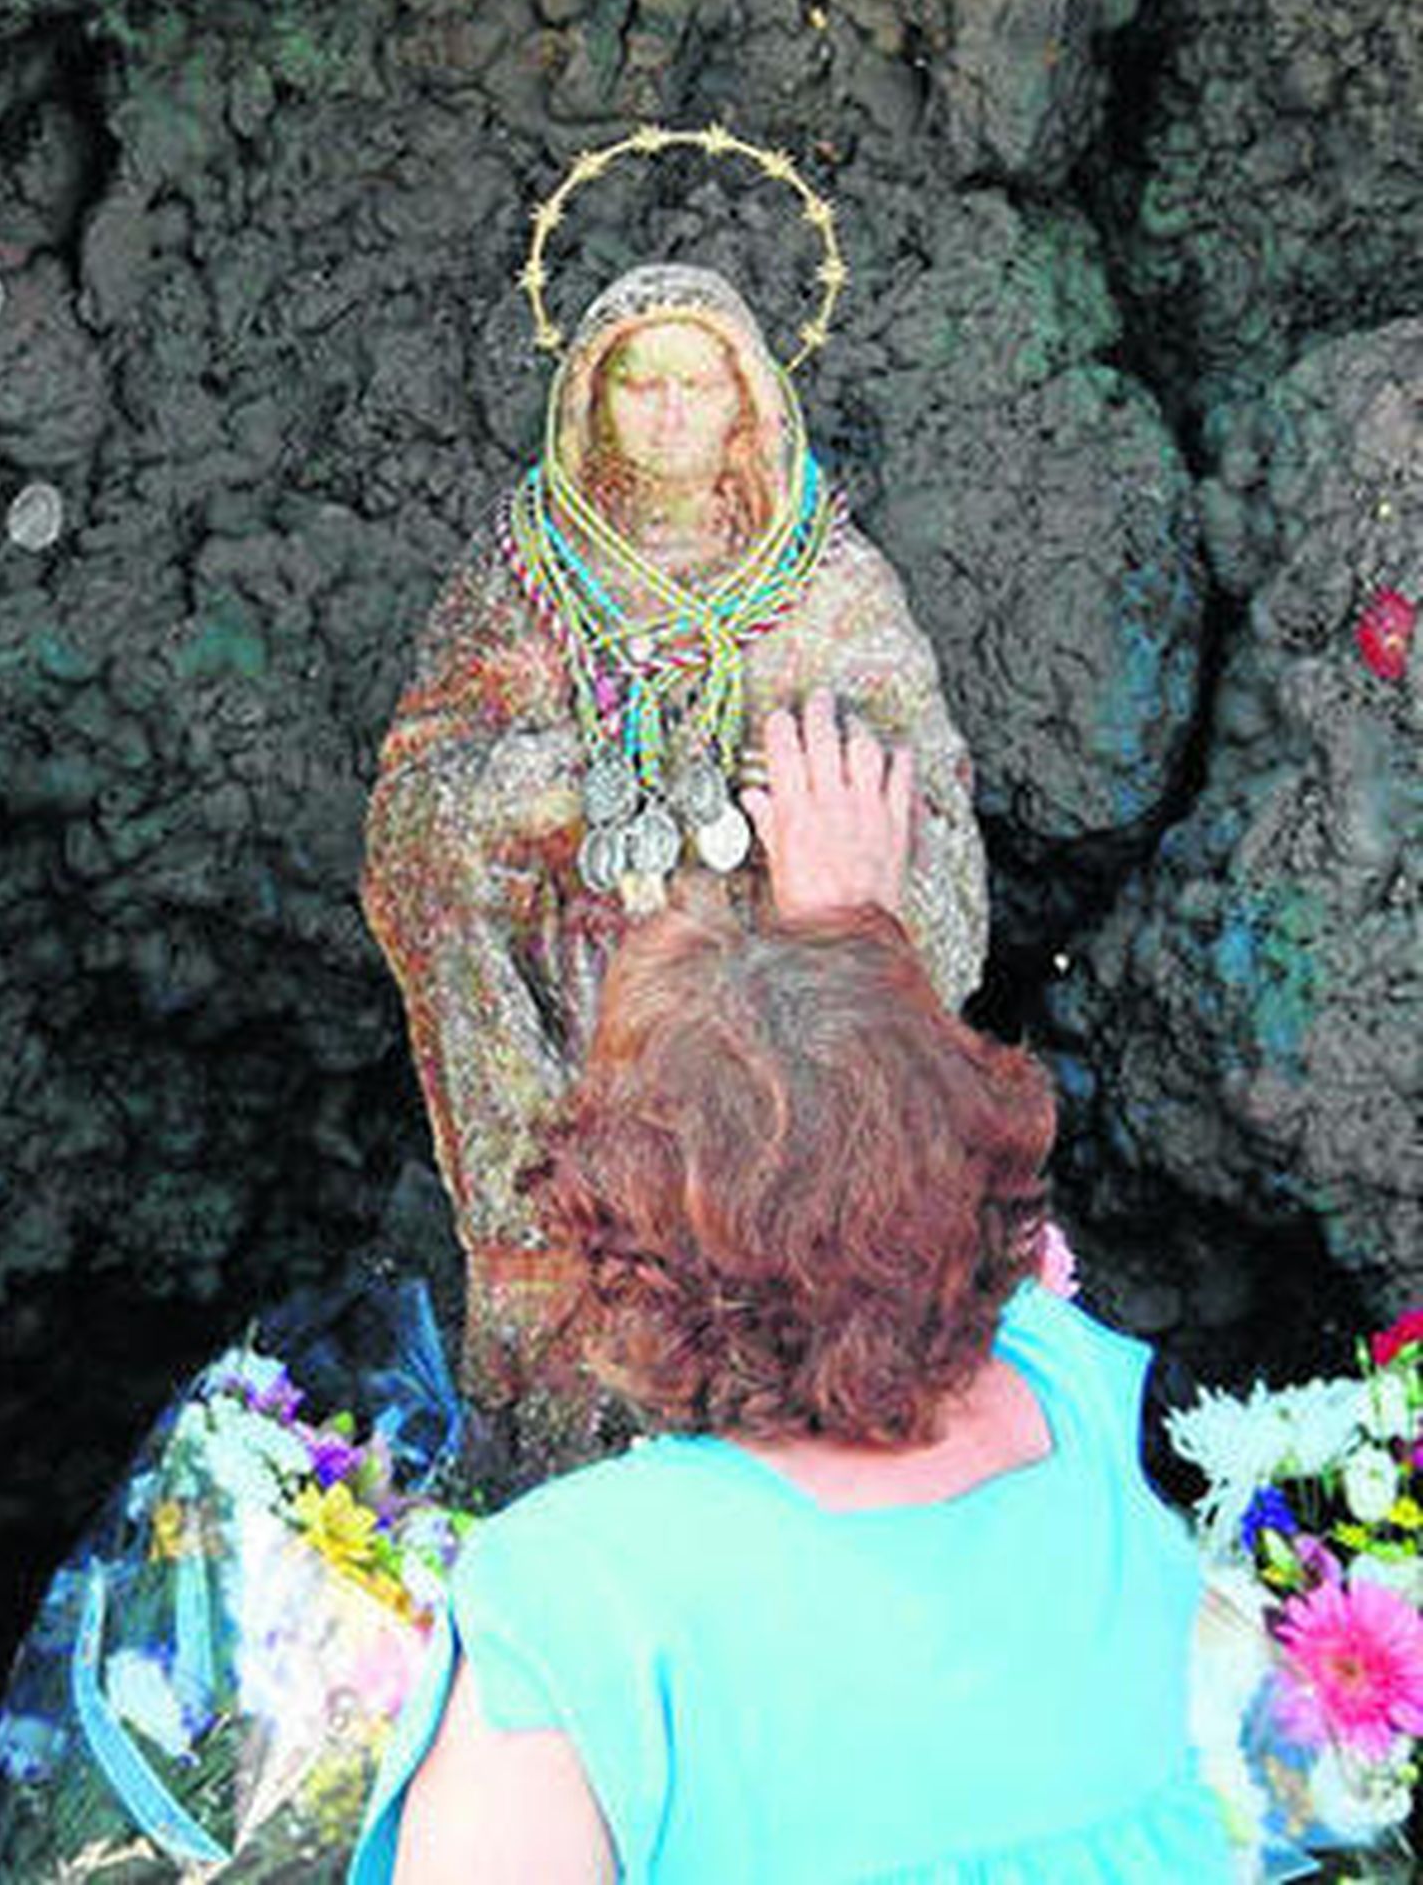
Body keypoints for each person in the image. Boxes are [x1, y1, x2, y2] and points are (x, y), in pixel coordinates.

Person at [349, 696, 1234, 1883]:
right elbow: (895, 1171)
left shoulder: (579, 1609)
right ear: (983, 1161)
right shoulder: (1091, 1405)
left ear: (625, 1253)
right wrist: (852, 937)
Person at [363, 263, 988, 1410]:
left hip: (767, 1041)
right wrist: (558, 787)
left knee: (771, 1319)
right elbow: (415, 805)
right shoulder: (524, 578)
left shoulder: (826, 585)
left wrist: (809, 832)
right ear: (587, 400)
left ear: (746, 399)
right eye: (636, 382)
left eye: (693, 384)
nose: (665, 410)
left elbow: (927, 802)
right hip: (579, 1022)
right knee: (582, 1328)